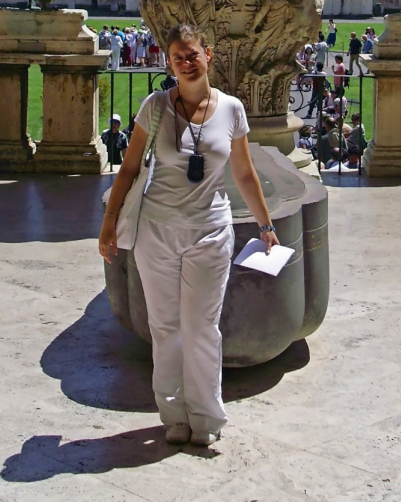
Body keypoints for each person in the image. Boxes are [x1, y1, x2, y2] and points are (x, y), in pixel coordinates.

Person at [99, 23, 279, 448]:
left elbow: (244, 173)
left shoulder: (232, 109)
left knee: (202, 327)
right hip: (156, 232)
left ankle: (206, 413)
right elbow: (127, 169)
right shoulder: (155, 107)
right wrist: (108, 222)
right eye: (177, 56)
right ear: (169, 61)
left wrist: (266, 226)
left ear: (208, 54)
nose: (186, 62)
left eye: (192, 54)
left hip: (210, 232)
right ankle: (174, 413)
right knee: (165, 327)